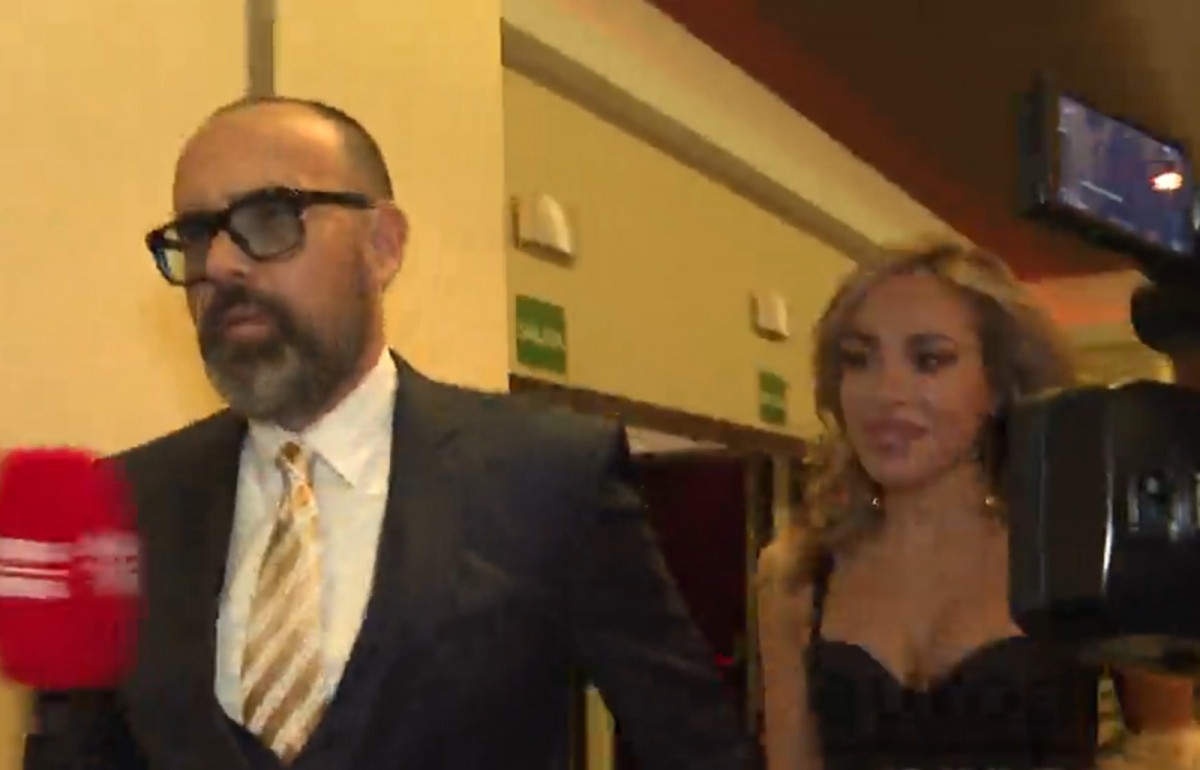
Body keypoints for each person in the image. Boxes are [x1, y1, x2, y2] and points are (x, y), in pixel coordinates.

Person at [22, 97, 756, 770]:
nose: (218, 263)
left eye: (270, 218)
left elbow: (695, 750)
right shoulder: (120, 506)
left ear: (383, 245)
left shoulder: (550, 476)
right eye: (195, 234)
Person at [755, 245, 1198, 770]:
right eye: (858, 359)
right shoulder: (798, 573)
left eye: (929, 360)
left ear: (995, 386)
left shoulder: (1081, 547)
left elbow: (1173, 740)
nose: (886, 392)